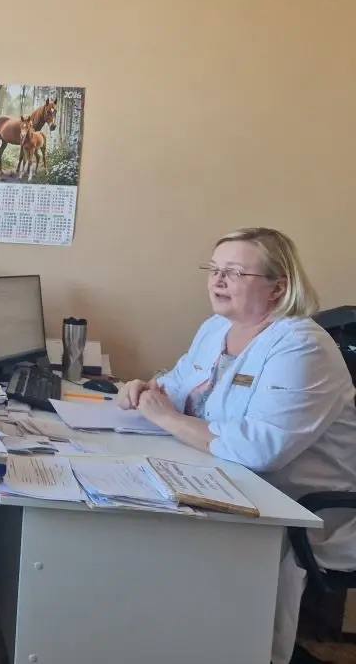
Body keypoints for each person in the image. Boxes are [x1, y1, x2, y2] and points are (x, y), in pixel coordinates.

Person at [117, 227, 356, 664]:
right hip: (223, 479)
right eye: (214, 269)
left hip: (300, 504)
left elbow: (262, 450)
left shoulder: (302, 346)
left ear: (277, 287)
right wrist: (146, 390)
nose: (218, 280)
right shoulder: (217, 328)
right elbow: (178, 384)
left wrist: (167, 418)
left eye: (234, 272)